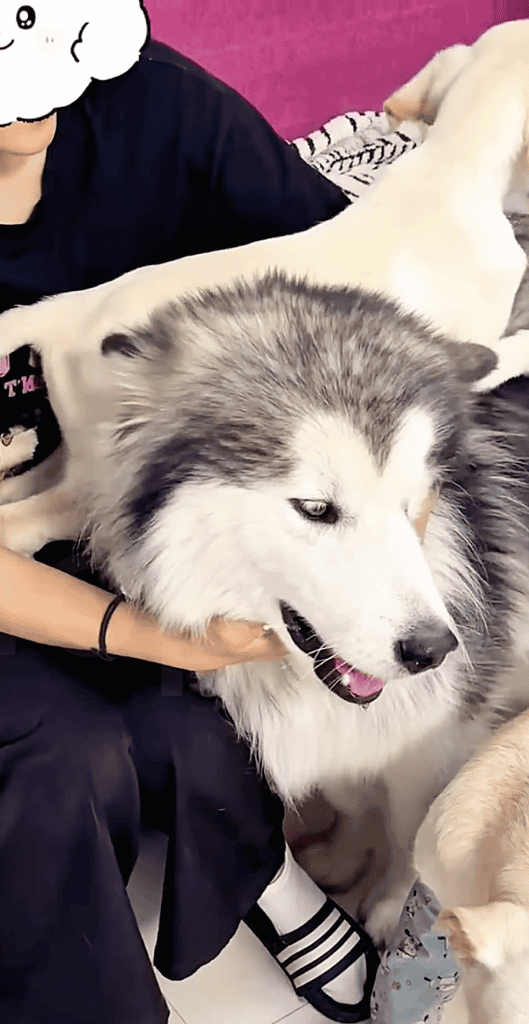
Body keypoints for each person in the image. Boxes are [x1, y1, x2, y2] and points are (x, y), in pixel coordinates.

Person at [0, 37, 380, 1024]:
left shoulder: (155, 108)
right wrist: (149, 633)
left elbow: (353, 278)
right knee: (64, 760)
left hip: (123, 508)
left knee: (190, 726)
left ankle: (260, 877)